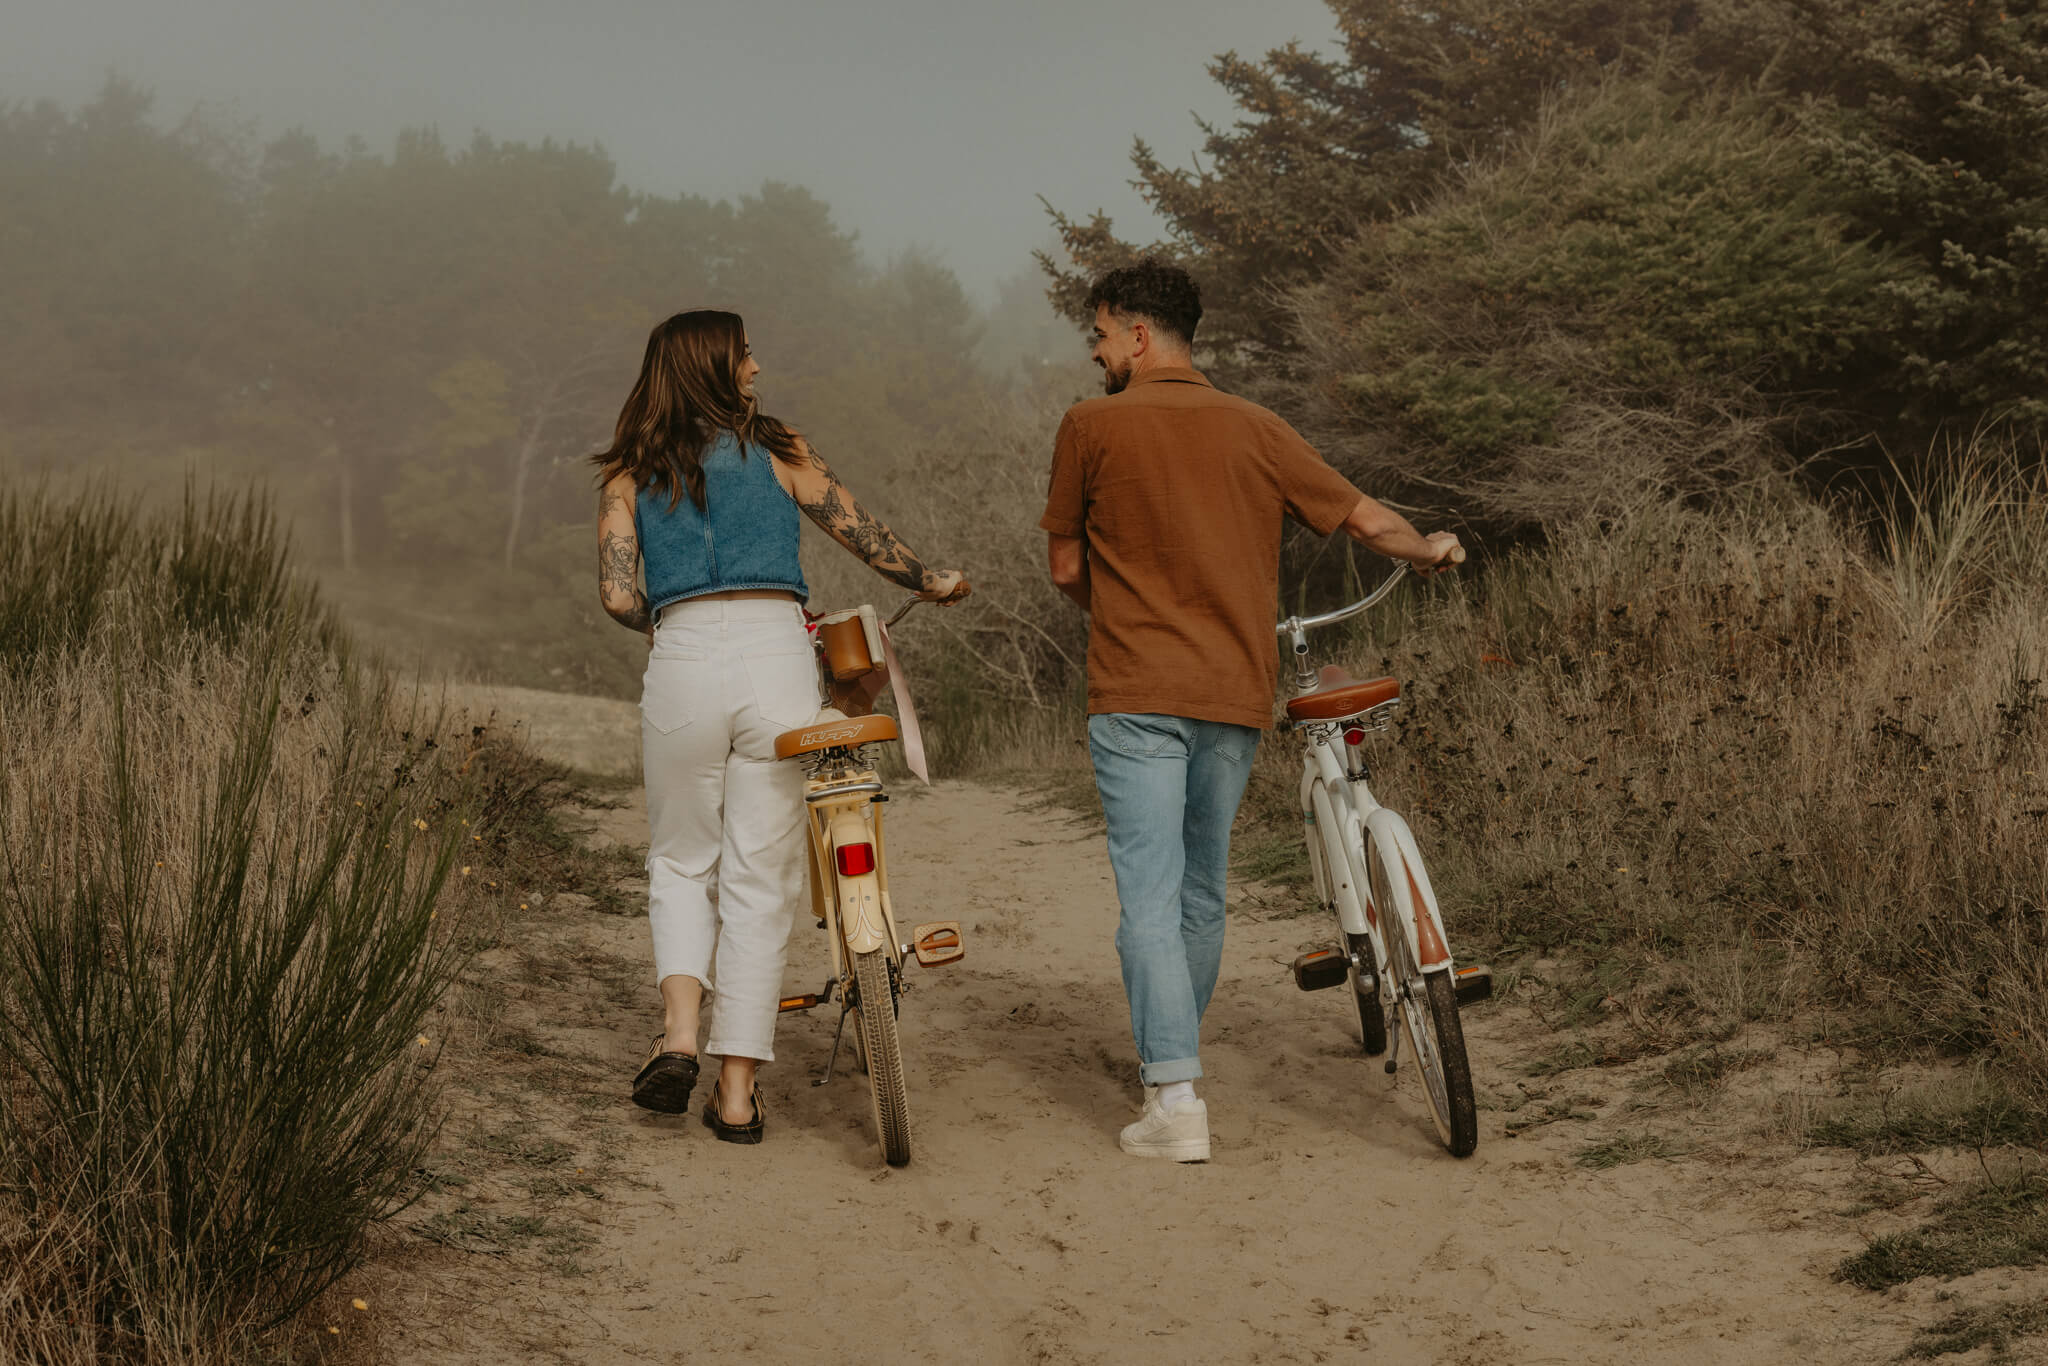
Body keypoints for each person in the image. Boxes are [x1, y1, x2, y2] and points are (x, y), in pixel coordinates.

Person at [1040, 260, 1461, 1162]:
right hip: (1233, 693)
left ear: (1140, 336)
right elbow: (1364, 520)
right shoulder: (1258, 428)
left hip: (1136, 692)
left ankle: (1176, 1095)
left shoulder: (1089, 426)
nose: (1097, 350)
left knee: (1148, 896)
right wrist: (1428, 551)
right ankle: (1172, 1058)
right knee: (1200, 891)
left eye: (1104, 334)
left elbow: (1069, 570)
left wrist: (1126, 618)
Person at [594, 309, 968, 1144]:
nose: (758, 367)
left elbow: (619, 595)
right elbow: (862, 534)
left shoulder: (629, 470)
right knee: (760, 878)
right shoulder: (777, 447)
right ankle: (735, 1095)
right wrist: (933, 579)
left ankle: (680, 1033)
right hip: (773, 656)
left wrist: (669, 622)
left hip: (683, 655)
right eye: (746, 355)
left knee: (681, 861)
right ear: (715, 367)